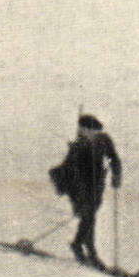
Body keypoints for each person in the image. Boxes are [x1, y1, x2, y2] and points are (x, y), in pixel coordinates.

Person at [50, 114, 122, 268]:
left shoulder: (103, 141)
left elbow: (114, 158)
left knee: (89, 217)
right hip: (78, 187)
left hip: (96, 187)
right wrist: (79, 199)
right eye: (81, 130)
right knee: (88, 216)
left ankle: (80, 246)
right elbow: (72, 173)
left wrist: (116, 176)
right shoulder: (78, 147)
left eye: (86, 130)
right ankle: (88, 251)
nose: (83, 133)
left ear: (93, 130)